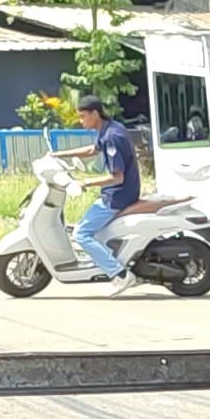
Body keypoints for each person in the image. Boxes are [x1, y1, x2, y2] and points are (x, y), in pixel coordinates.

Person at [70, 94, 141, 285]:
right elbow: (92, 150)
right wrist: (58, 155)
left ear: (95, 114)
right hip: (122, 191)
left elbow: (117, 177)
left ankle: (119, 274)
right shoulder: (110, 128)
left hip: (118, 195)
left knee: (80, 233)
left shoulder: (111, 137)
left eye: (83, 116)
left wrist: (85, 183)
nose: (81, 121)